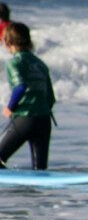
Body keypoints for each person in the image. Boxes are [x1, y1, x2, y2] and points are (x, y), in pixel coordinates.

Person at [1, 23, 56, 170]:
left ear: (7, 42)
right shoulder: (40, 64)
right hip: (44, 120)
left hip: (25, 118)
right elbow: (50, 98)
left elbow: (20, 87)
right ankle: (37, 190)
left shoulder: (14, 62)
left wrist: (9, 108)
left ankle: (9, 180)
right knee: (40, 169)